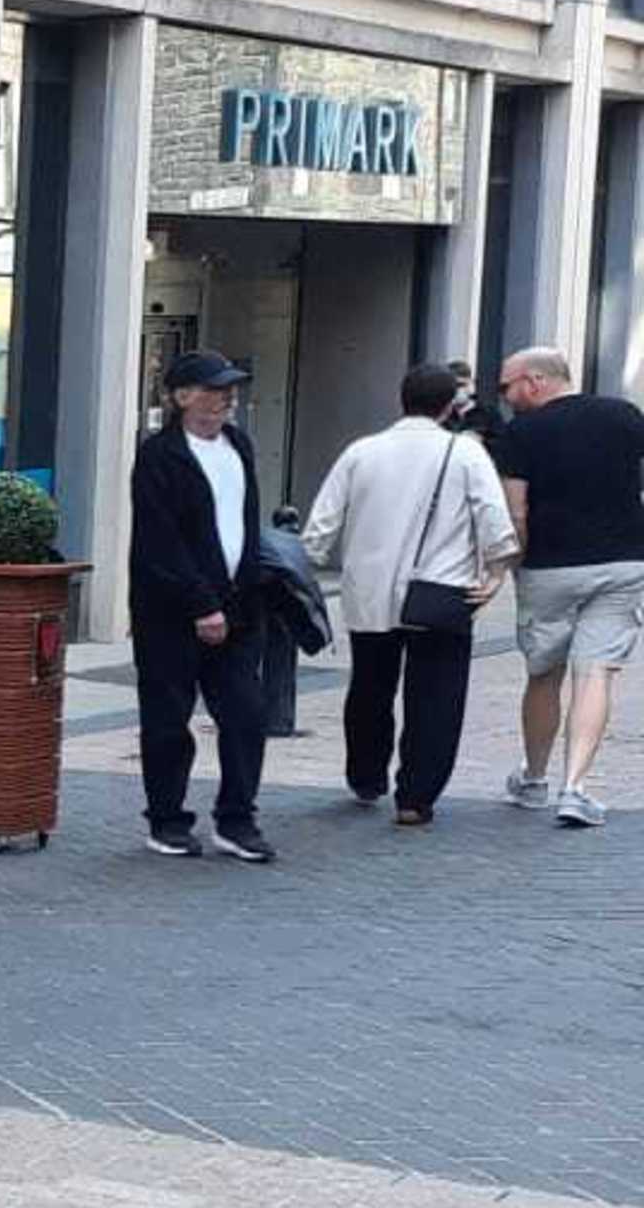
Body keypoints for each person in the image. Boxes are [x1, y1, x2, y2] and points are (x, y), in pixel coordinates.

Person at [301, 362, 516, 824]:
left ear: (402, 400)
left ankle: (365, 775)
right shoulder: (465, 453)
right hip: (442, 592)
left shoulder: (362, 451)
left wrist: (310, 565)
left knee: (369, 686)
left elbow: (320, 529)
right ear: (449, 406)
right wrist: (496, 574)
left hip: (369, 592)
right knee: (436, 695)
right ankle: (416, 796)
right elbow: (494, 522)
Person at [130, 349, 275, 861]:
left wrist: (248, 587)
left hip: (238, 605)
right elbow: (160, 542)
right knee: (169, 717)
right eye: (214, 390)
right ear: (182, 397)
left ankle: (237, 819)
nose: (225, 399)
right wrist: (199, 604)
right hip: (171, 613)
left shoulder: (239, 444)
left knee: (246, 713)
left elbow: (245, 521)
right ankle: (167, 819)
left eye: (230, 391)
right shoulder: (159, 455)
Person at [490, 345, 644, 826]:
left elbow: (515, 510)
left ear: (534, 381)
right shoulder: (625, 415)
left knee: (544, 674)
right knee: (596, 673)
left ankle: (534, 779)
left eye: (506, 385)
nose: (505, 396)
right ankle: (575, 787)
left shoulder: (520, 433)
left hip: (548, 567)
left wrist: (511, 562)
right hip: (622, 562)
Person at [257, 505, 331, 736]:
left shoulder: (272, 539)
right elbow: (309, 586)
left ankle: (273, 720)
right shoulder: (295, 546)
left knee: (269, 661)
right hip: (285, 603)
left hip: (270, 599)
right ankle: (279, 721)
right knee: (282, 662)